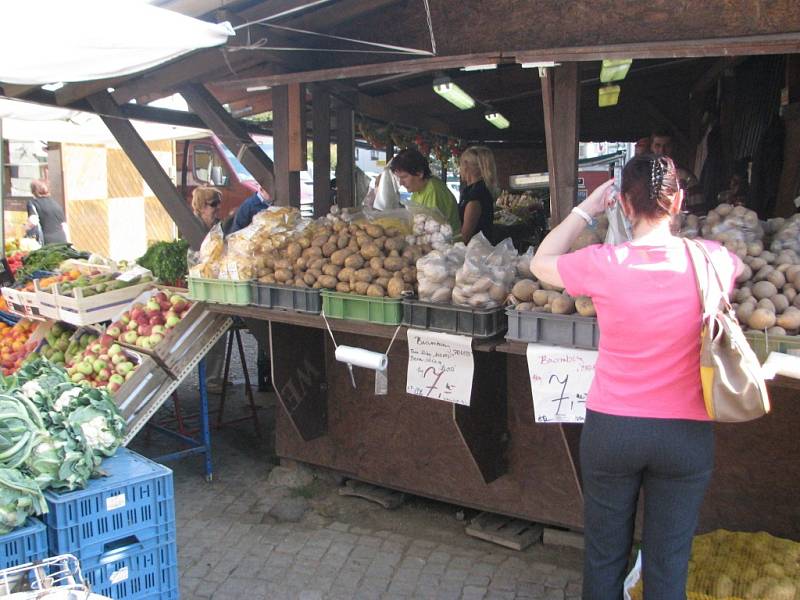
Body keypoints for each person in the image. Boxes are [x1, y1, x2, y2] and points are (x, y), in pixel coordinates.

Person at [531, 155, 742, 600]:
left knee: (605, 558)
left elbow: (541, 262)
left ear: (624, 206)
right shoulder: (715, 262)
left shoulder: (603, 263)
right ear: (679, 200)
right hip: (685, 435)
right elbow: (736, 273)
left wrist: (587, 207)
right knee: (668, 565)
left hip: (614, 431)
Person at [389, 148, 460, 235]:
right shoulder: (417, 188)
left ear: (419, 173)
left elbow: (431, 228)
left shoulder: (433, 190)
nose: (401, 183)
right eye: (399, 178)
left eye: (404, 177)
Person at [457, 146, 497, 243]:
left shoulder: (474, 196)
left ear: (466, 165)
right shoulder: (481, 189)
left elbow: (465, 236)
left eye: (460, 164)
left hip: (475, 252)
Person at [26, 180, 67, 244]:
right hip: (62, 239)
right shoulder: (55, 203)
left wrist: (26, 228)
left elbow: (33, 221)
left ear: (33, 191)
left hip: (47, 241)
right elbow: (64, 225)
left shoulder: (32, 203)